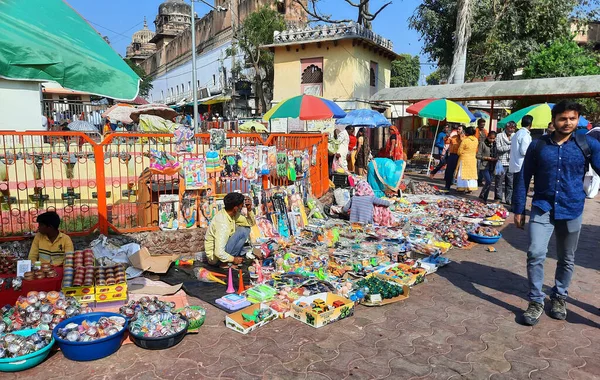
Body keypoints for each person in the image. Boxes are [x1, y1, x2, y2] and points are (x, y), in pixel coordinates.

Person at [514, 100, 600, 326]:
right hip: (543, 207)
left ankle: (559, 297)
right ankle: (535, 300)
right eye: (563, 118)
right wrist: (519, 208)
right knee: (535, 253)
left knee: (567, 258)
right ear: (553, 120)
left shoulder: (587, 144)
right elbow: (524, 177)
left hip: (572, 208)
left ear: (578, 119)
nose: (568, 122)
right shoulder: (538, 145)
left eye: (572, 118)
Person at [204, 192, 255, 266]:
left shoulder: (231, 214)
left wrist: (249, 209)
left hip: (223, 250)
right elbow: (218, 253)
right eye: (241, 206)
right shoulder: (223, 224)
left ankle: (231, 259)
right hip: (216, 259)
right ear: (235, 208)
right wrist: (234, 259)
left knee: (246, 229)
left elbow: (250, 223)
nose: (242, 207)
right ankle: (226, 263)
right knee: (243, 231)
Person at [509, 115, 533, 204]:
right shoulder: (525, 135)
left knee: (516, 187)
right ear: (530, 124)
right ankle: (517, 207)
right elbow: (524, 151)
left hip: (515, 164)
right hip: (522, 164)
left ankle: (514, 205)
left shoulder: (516, 134)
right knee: (521, 188)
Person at [494, 122, 516, 204]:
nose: (511, 129)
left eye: (513, 128)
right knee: (499, 181)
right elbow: (499, 148)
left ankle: (508, 199)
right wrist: (510, 146)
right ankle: (498, 198)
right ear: (506, 128)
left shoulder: (515, 136)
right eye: (510, 128)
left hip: (511, 162)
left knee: (510, 183)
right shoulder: (499, 135)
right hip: (500, 161)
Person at [476, 131, 498, 203]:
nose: (492, 140)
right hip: (484, 166)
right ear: (487, 137)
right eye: (490, 138)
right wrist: (487, 158)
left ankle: (484, 199)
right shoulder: (483, 144)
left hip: (492, 166)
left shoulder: (495, 145)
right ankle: (482, 194)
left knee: (489, 183)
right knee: (488, 181)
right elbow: (478, 155)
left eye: (493, 139)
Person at [455, 127, 479, 193]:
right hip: (472, 159)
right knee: (471, 174)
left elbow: (459, 151)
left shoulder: (465, 140)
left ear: (467, 133)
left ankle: (461, 188)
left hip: (464, 159)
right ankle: (470, 188)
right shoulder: (476, 140)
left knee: (462, 174)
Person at [443, 125, 462, 190]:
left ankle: (461, 188)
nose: (458, 130)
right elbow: (446, 141)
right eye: (458, 129)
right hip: (452, 155)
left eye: (459, 129)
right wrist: (447, 136)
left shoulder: (465, 139)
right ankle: (447, 185)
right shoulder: (454, 137)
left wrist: (461, 137)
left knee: (460, 173)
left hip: (460, 156)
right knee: (449, 171)